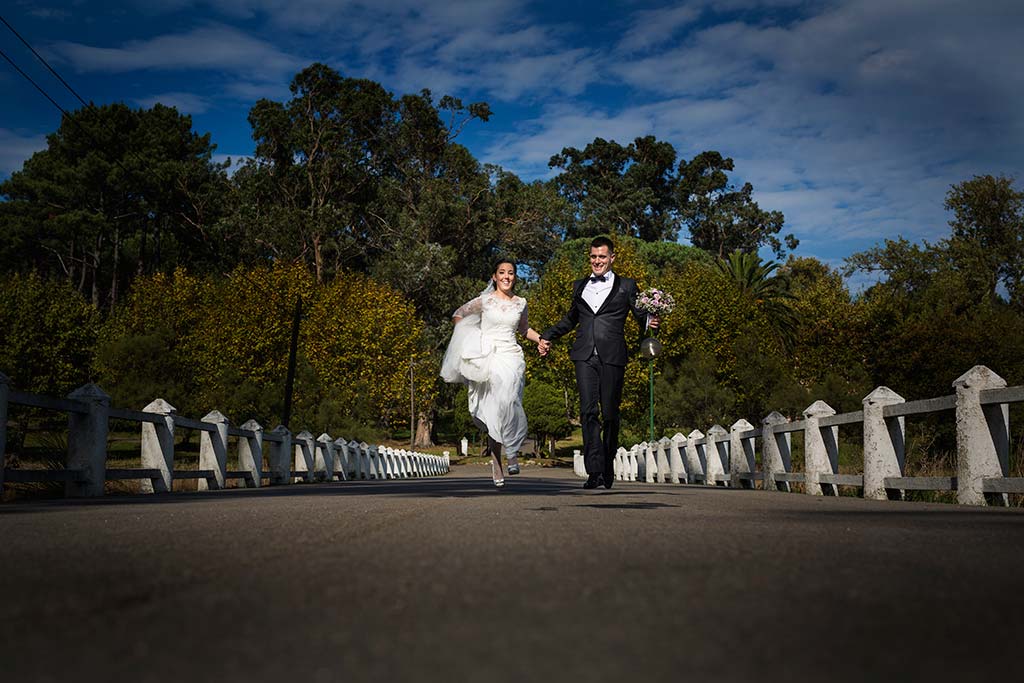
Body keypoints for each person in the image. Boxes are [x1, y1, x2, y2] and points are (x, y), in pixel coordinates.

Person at [538, 236, 659, 489]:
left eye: (602, 257)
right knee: (588, 411)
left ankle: (607, 466)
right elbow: (570, 319)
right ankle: (594, 472)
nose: (597, 261)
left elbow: (640, 316)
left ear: (612, 258)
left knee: (610, 415)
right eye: (593, 256)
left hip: (613, 356)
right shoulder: (579, 285)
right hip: (584, 356)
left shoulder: (627, 286)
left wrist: (651, 320)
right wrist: (546, 336)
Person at [441, 259, 545, 487]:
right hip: (488, 357)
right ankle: (498, 462)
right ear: (494, 277)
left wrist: (540, 340)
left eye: (511, 273)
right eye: (502, 273)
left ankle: (512, 450)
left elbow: (523, 329)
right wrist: (470, 337)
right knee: (495, 410)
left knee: (510, 400)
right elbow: (459, 314)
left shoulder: (521, 303)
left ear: (515, 277)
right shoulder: (485, 301)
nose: (506, 276)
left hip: (512, 356)